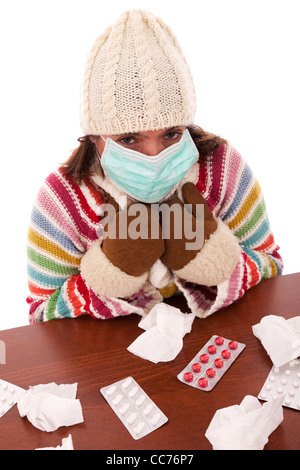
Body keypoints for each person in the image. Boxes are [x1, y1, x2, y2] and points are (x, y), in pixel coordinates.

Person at [26, 9, 283, 323]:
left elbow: (271, 264)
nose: (153, 156)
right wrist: (116, 269)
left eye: (171, 134)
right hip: (110, 360)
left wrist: (211, 258)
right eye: (129, 139)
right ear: (95, 137)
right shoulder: (62, 200)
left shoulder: (221, 166)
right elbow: (41, 313)